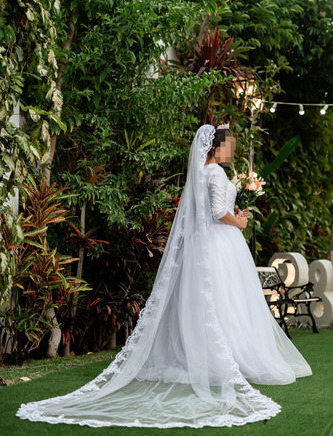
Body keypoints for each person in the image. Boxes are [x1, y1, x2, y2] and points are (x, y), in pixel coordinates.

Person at [16, 124, 312, 429]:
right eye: (230, 146)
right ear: (216, 147)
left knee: (216, 299)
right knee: (226, 298)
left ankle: (211, 356)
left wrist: (233, 214)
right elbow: (216, 213)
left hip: (211, 243)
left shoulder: (202, 174)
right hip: (222, 242)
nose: (232, 151)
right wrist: (239, 220)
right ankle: (231, 358)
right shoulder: (215, 173)